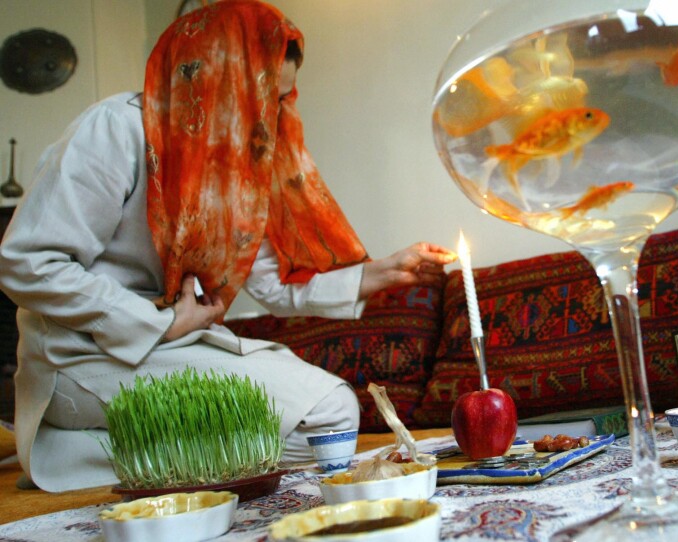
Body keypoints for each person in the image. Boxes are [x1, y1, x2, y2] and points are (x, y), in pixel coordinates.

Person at [0, 0, 455, 492]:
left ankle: (99, 459)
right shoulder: (116, 127)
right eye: (258, 95)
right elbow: (28, 263)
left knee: (331, 412)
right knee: (326, 413)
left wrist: (382, 271)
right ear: (209, 73)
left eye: (279, 100)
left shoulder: (236, 165)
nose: (269, 115)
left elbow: (271, 283)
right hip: (82, 358)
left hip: (168, 350)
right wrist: (162, 322)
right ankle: (85, 451)